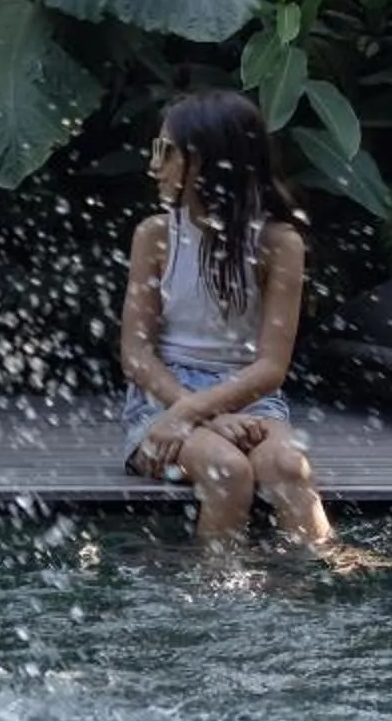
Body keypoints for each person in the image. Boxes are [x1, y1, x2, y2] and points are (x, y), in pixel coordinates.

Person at [117, 92, 359, 555]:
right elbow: (136, 354)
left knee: (289, 467)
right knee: (227, 470)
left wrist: (209, 412)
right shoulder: (155, 235)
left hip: (250, 397)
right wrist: (190, 411)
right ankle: (221, 594)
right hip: (164, 400)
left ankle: (320, 589)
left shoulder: (279, 243)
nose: (154, 166)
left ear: (208, 163)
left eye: (167, 152)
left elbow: (270, 368)